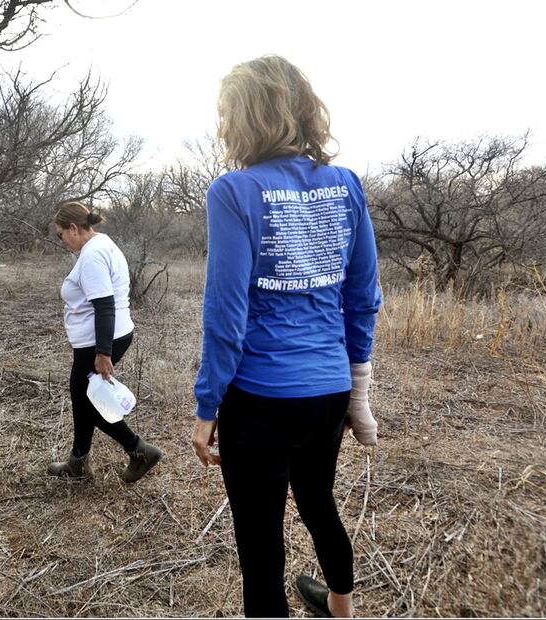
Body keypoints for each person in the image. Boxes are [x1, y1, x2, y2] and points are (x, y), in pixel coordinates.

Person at [190, 56, 382, 618]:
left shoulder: (234, 191)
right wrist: (357, 387)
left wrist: (207, 405)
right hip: (326, 392)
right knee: (319, 499)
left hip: (259, 398)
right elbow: (363, 296)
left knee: (260, 545)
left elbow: (225, 310)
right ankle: (341, 608)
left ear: (244, 119)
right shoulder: (345, 185)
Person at [48, 202, 163, 483]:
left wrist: (102, 353)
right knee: (83, 397)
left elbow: (104, 306)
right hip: (107, 336)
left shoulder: (93, 255)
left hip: (100, 341)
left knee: (88, 401)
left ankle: (139, 450)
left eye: (61, 233)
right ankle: (78, 461)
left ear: (74, 228)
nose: (62, 240)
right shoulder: (102, 244)